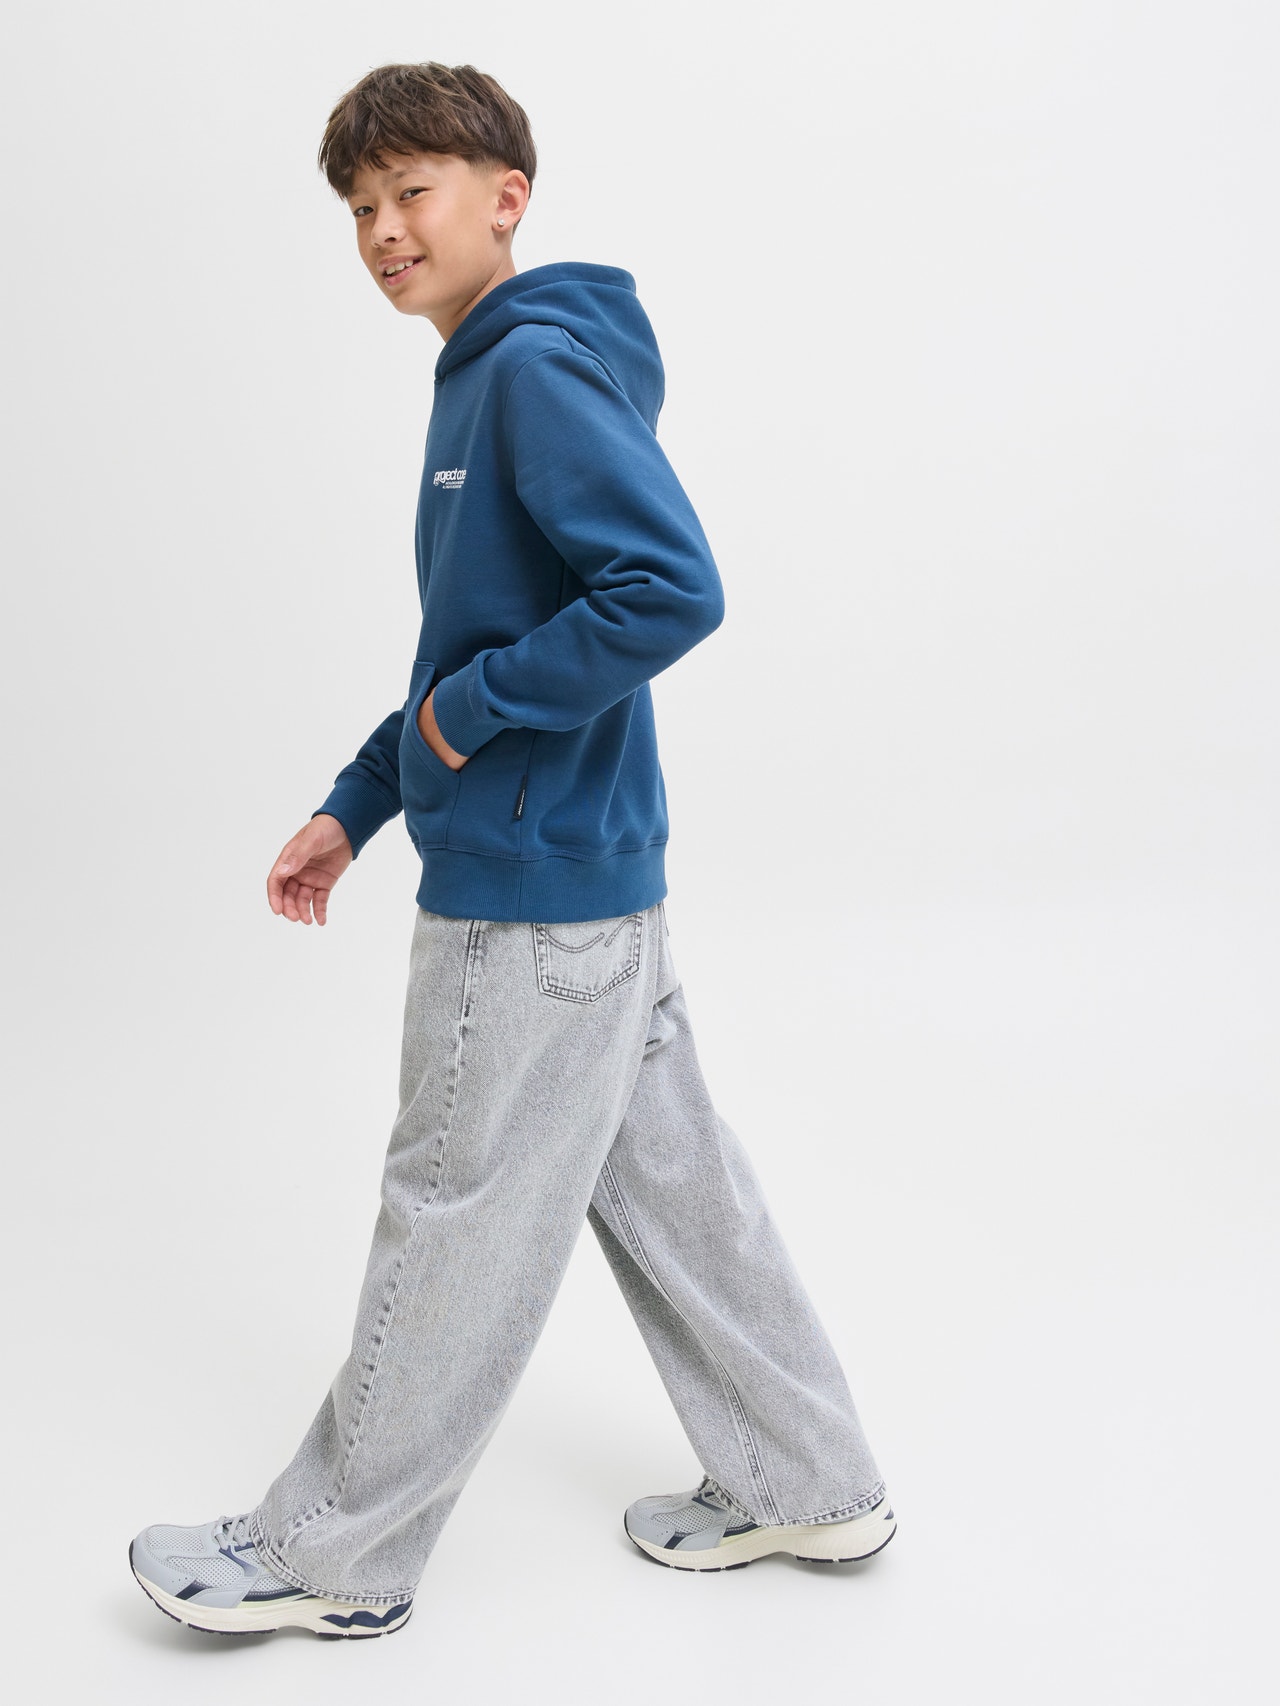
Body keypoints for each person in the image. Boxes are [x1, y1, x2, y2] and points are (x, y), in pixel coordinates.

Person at [128, 59, 895, 1640]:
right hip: (597, 883)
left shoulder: (528, 373)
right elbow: (477, 641)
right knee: (682, 1195)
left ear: (506, 197)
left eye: (411, 191)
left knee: (452, 1206)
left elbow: (668, 590)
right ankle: (809, 1477)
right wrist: (361, 799)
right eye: (360, 206)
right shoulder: (497, 373)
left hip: (529, 909)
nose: (382, 229)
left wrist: (466, 721)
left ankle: (333, 1553)